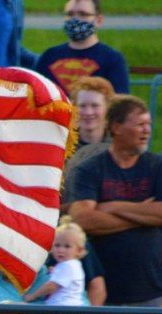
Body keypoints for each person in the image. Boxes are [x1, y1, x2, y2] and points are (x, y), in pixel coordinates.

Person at [69, 95, 162, 314]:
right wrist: (143, 215)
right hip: (103, 295)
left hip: (150, 294)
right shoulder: (91, 169)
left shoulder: (158, 166)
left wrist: (115, 206)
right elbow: (83, 218)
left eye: (149, 124)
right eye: (140, 124)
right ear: (116, 127)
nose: (147, 130)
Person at [34, 0, 128, 95]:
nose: (75, 19)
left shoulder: (112, 59)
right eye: (70, 14)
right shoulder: (49, 57)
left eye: (83, 14)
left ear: (98, 20)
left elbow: (119, 104)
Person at [61, 77, 115, 213]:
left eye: (95, 106)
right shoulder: (61, 147)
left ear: (107, 108)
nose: (88, 112)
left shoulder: (120, 146)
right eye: (82, 106)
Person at [25, 219, 87, 314]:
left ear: (79, 250)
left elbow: (51, 287)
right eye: (57, 245)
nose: (61, 250)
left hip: (63, 312)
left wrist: (33, 296)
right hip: (71, 311)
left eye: (67, 246)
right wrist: (55, 272)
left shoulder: (68, 265)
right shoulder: (73, 265)